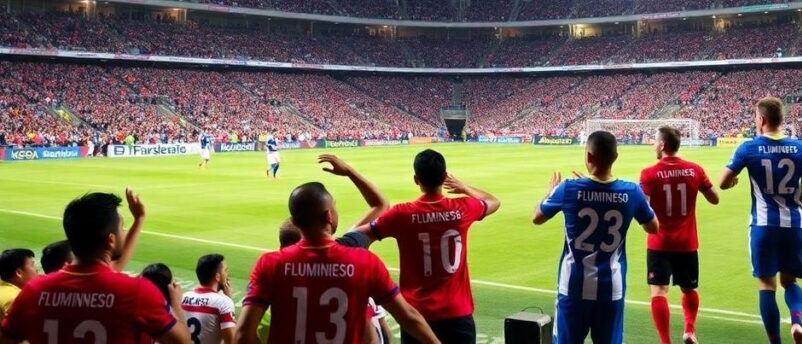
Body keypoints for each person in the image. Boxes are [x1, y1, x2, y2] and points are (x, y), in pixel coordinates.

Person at [237, 182, 440, 344]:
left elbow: (243, 335)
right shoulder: (364, 262)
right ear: (329, 216)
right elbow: (408, 317)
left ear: (295, 222)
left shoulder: (270, 264)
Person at [0, 191, 190, 344]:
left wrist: (138, 221)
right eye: (122, 229)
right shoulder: (136, 292)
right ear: (111, 240)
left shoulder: (35, 292)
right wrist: (175, 304)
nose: (123, 232)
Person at [719, 97, 802, 344]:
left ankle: (775, 342)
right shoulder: (800, 148)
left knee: (766, 284)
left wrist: (733, 182)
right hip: (794, 224)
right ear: (781, 120)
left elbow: (723, 182)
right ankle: (796, 322)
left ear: (761, 119)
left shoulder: (748, 148)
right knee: (790, 281)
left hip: (763, 224)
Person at [354, 149, 500, 344]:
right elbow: (493, 202)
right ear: (444, 177)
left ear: (416, 179)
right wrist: (464, 187)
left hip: (416, 318)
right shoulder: (462, 209)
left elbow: (360, 236)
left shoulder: (401, 214)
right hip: (458, 314)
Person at [533, 131, 659, 344]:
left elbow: (537, 217)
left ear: (588, 157)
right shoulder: (632, 192)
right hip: (611, 289)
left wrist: (551, 191)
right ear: (616, 157)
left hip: (572, 288)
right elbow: (653, 227)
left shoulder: (569, 189)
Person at [639, 127, 719, 344]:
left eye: (655, 141)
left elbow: (643, 209)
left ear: (663, 145)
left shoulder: (649, 173)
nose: (653, 145)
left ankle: (666, 342)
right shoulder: (695, 170)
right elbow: (714, 199)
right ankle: (689, 331)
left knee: (658, 292)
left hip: (659, 242)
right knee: (689, 288)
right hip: (687, 242)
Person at [182, 254, 236, 344]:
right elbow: (232, 340)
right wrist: (229, 299)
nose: (227, 275)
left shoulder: (182, 297)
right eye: (225, 271)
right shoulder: (223, 302)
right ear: (217, 277)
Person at [0, 249, 37, 322]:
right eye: (32, 265)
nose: (36, 270)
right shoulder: (15, 298)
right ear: (19, 273)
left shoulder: (4, 288)